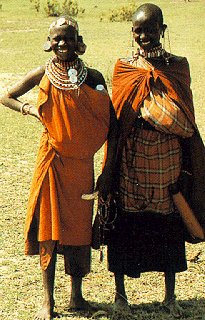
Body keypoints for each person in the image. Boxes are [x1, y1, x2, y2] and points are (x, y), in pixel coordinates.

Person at [1, 16, 117, 320]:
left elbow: (110, 124)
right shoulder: (43, 74)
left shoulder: (93, 77)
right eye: (56, 38)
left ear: (78, 41)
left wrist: (106, 172)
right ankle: (47, 300)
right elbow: (6, 96)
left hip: (81, 166)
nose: (62, 44)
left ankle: (76, 297)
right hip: (51, 160)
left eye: (67, 38)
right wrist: (31, 110)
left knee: (78, 231)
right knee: (48, 230)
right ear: (48, 42)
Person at [106, 3, 205, 318]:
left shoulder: (178, 66)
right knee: (123, 225)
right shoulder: (124, 67)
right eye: (138, 30)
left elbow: (184, 117)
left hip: (167, 158)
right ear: (132, 31)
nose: (144, 35)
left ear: (163, 29)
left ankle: (170, 296)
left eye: (151, 29)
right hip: (131, 159)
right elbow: (118, 118)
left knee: (168, 225)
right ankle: (120, 297)